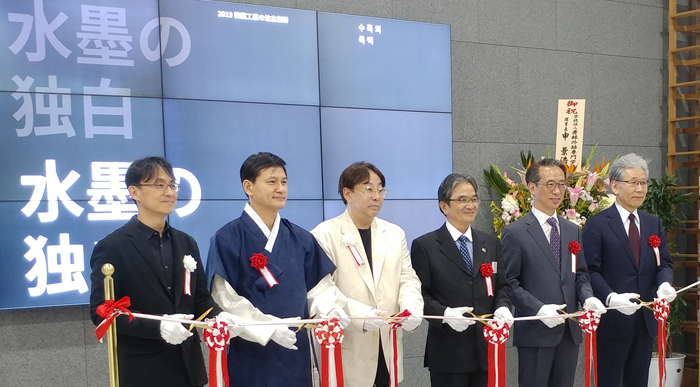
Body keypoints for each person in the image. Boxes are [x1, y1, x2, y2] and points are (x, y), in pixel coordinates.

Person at [89, 156, 243, 387]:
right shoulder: (112, 246)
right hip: (143, 371)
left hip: (189, 368)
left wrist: (218, 315)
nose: (169, 192)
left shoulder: (186, 242)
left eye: (172, 185)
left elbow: (200, 299)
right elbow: (102, 313)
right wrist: (158, 327)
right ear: (134, 192)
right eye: (158, 185)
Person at [206, 152, 348, 387]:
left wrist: (329, 310)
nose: (280, 188)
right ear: (248, 187)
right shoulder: (227, 238)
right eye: (271, 182)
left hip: (296, 350)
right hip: (251, 351)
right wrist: (267, 328)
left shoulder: (301, 238)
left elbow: (319, 289)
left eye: (284, 182)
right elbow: (224, 298)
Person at [310, 161, 423, 387]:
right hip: (349, 348)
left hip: (388, 346)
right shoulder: (324, 234)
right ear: (347, 193)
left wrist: (412, 309)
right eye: (368, 189)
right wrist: (362, 314)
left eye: (380, 189)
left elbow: (407, 278)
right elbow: (323, 290)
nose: (376, 196)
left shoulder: (394, 233)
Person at [501, 158, 606, 387]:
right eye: (550, 184)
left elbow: (580, 274)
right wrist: (538, 309)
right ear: (531, 187)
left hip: (569, 331)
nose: (557, 191)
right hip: (535, 332)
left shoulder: (572, 230)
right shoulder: (515, 232)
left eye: (562, 184)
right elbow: (509, 282)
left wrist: (588, 297)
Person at [411, 173, 512, 387]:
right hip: (449, 354)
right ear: (444, 206)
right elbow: (420, 296)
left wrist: (503, 307)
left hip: (486, 349)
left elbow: (502, 285)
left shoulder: (491, 243)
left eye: (474, 199)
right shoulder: (425, 246)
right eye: (462, 200)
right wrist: (445, 315)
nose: (470, 205)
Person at [582, 153, 675, 387]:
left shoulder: (653, 223)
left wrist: (664, 283)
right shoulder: (598, 224)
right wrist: (611, 297)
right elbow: (590, 270)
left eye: (643, 182)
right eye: (633, 182)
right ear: (615, 185)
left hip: (645, 321)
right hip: (612, 321)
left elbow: (664, 263)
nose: (640, 189)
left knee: (639, 381)